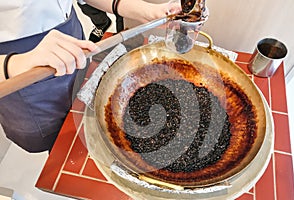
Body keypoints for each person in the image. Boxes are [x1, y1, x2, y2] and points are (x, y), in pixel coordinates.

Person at [0, 0, 181, 153]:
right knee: (57, 140)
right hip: (19, 63)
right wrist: (14, 64)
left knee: (81, 109)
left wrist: (146, 10)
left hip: (68, 34)